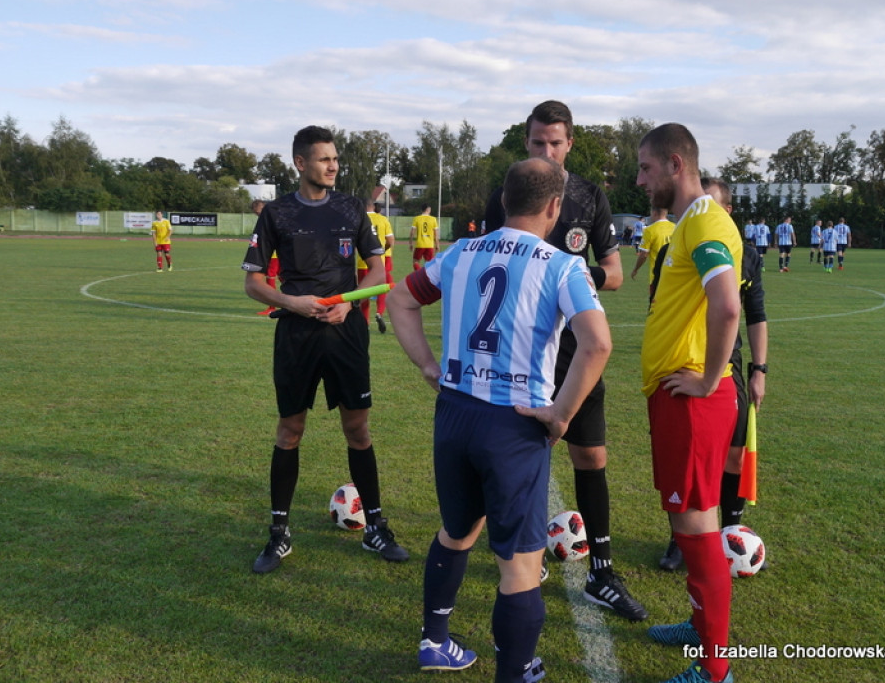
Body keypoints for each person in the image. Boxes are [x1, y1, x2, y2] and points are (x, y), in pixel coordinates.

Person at [388, 157, 612, 681]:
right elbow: (598, 343)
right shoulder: (562, 264)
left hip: (455, 414)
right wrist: (561, 415)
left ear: (505, 201)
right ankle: (515, 672)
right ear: (555, 207)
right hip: (514, 423)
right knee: (520, 563)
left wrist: (427, 365)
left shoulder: (462, 252)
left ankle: (435, 640)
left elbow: (400, 299)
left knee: (457, 531)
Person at [483, 100, 647, 621]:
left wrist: (569, 275)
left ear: (570, 143)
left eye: (555, 143)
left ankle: (601, 571)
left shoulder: (589, 197)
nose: (547, 151)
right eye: (537, 143)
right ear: (526, 143)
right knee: (516, 461)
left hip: (576, 353)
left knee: (590, 457)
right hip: (522, 354)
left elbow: (616, 273)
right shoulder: (507, 194)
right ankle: (524, 555)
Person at [241, 125, 409, 574]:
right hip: (296, 335)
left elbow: (376, 270)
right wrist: (291, 302)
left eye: (335, 159)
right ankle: (279, 534)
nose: (333, 165)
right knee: (289, 430)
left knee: (358, 429)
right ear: (300, 163)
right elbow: (253, 283)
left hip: (345, 333)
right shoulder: (276, 214)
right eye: (323, 159)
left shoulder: (352, 207)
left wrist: (345, 305)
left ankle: (375, 527)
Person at [637, 123, 742, 683]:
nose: (640, 179)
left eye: (646, 168)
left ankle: (714, 670)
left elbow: (727, 307)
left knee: (698, 529)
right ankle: (701, 628)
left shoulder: (703, 220)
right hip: (677, 398)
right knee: (689, 522)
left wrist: (705, 381)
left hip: (694, 402)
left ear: (675, 164)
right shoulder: (688, 223)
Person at [660, 178, 767, 574]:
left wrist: (759, 369)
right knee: (690, 467)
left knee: (735, 455)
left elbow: (754, 314)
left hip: (729, 367)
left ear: (728, 214)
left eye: (717, 209)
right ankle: (680, 539)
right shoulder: (677, 245)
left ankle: (731, 532)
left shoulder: (746, 255)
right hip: (687, 366)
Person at [356, 200, 395, 332]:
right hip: (378, 262)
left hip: (362, 262)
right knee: (381, 289)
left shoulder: (358, 219)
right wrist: (382, 250)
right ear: (374, 207)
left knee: (363, 291)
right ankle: (379, 312)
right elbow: (390, 241)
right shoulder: (383, 219)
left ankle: (365, 322)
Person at [631, 206, 674, 289]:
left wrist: (635, 269)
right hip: (673, 274)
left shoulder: (650, 230)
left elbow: (644, 255)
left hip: (657, 275)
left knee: (655, 301)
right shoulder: (676, 227)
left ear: (654, 213)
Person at [251, 200, 281, 315]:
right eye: (256, 214)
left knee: (270, 277)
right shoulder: (272, 217)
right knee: (283, 277)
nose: (258, 215)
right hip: (275, 253)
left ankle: (272, 307)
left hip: (274, 254)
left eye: (259, 213)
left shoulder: (272, 218)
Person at [410, 204, 439, 270]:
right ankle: (426, 277)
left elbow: (412, 232)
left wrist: (411, 243)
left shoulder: (417, 218)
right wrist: (437, 245)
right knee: (429, 264)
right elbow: (435, 234)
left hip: (420, 244)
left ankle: (418, 275)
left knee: (415, 261)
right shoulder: (433, 219)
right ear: (427, 209)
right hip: (430, 245)